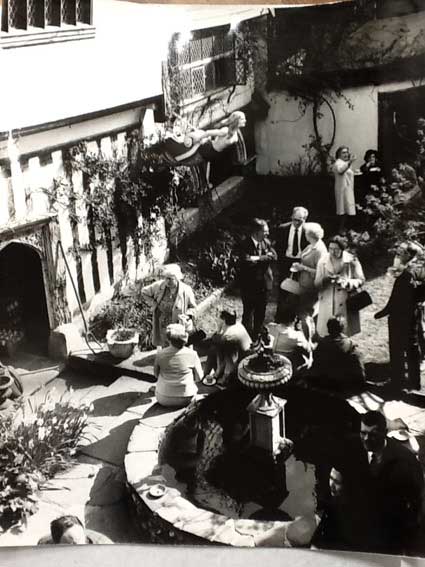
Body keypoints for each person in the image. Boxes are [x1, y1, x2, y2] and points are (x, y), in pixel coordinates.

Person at [359, 410, 424, 554]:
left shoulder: (405, 461)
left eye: (373, 434)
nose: (367, 439)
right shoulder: (355, 450)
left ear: (385, 432)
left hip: (391, 533)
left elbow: (417, 502)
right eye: (363, 433)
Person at [374, 242, 425, 394]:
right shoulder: (417, 270)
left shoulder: (408, 274)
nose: (397, 253)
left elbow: (397, 299)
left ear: (409, 255)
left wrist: (382, 312)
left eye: (401, 252)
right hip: (413, 314)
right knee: (412, 348)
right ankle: (414, 383)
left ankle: (397, 382)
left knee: (397, 349)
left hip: (401, 316)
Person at [315, 236, 365, 338]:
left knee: (344, 333)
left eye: (336, 249)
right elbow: (316, 282)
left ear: (342, 249)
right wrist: (325, 279)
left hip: (345, 300)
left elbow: (361, 280)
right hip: (327, 301)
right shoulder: (322, 261)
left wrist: (347, 283)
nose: (332, 252)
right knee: (326, 333)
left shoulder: (351, 260)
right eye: (330, 249)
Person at [237, 218, 277, 339]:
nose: (267, 233)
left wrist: (257, 258)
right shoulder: (244, 244)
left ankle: (256, 334)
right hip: (249, 285)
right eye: (265, 231)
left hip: (263, 284)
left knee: (261, 311)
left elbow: (274, 256)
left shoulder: (266, 242)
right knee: (248, 312)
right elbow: (246, 261)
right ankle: (245, 337)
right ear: (256, 232)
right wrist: (264, 257)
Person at [141, 264, 196, 348]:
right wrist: (154, 303)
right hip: (163, 322)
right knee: (165, 344)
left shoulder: (186, 290)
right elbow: (144, 292)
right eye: (165, 278)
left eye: (170, 279)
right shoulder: (159, 286)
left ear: (177, 278)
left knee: (179, 345)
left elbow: (193, 307)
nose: (167, 281)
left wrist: (187, 315)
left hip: (178, 324)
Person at [154, 324, 203, 408]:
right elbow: (199, 378)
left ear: (168, 339)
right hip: (186, 398)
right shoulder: (192, 354)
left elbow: (156, 375)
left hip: (163, 398)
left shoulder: (160, 354)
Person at [311, 317, 365, 392]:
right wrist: (361, 383)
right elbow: (358, 365)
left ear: (328, 329)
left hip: (324, 382)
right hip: (342, 384)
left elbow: (315, 362)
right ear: (343, 329)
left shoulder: (322, 344)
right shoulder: (350, 344)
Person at [275, 206, 309, 319]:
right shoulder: (283, 228)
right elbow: (278, 246)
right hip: (286, 261)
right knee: (283, 288)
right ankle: (279, 316)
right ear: (291, 217)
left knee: (298, 290)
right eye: (295, 219)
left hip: (301, 262)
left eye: (300, 220)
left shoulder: (308, 231)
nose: (297, 223)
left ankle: (295, 318)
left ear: (305, 219)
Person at [203, 309, 251, 386]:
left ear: (224, 319)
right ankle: (209, 374)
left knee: (216, 348)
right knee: (213, 349)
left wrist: (224, 378)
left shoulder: (230, 336)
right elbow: (218, 336)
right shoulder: (236, 324)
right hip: (238, 354)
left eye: (220, 317)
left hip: (243, 364)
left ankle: (222, 377)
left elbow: (231, 361)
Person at [291, 222, 327, 317]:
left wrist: (303, 268)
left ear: (310, 235)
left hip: (311, 286)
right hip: (304, 283)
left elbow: (321, 272)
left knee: (307, 313)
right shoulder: (311, 245)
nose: (304, 233)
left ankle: (310, 330)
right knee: (302, 311)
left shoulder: (320, 250)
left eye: (306, 232)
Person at [38, 515, 112, 544]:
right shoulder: (44, 545)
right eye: (73, 543)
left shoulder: (105, 546)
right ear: (56, 543)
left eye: (81, 538)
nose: (81, 545)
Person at [332, 146, 357, 232]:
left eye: (347, 152)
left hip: (348, 189)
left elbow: (347, 173)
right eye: (343, 152)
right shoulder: (338, 163)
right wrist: (350, 162)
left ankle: (345, 228)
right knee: (342, 209)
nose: (346, 154)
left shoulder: (344, 163)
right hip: (342, 190)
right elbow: (341, 171)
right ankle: (340, 229)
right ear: (338, 154)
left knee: (347, 208)